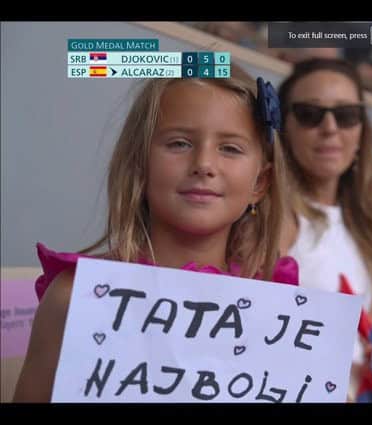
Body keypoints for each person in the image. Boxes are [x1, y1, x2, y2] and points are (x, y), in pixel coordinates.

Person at [13, 70, 297, 402]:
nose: (204, 164)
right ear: (139, 166)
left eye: (230, 148)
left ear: (260, 184)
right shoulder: (75, 298)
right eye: (179, 143)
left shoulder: (280, 314)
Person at [276, 58, 372, 400]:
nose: (330, 127)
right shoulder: (273, 215)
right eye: (310, 114)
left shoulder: (362, 224)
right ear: (283, 127)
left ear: (361, 130)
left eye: (347, 115)